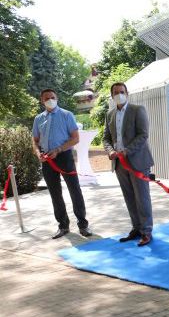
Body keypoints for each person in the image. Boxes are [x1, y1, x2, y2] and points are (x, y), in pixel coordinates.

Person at [32, 89, 92, 239]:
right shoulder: (38, 119)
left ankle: (83, 225)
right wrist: (38, 153)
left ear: (56, 98)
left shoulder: (66, 115)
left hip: (64, 157)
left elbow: (75, 138)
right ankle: (63, 226)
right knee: (55, 194)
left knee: (75, 191)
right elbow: (35, 141)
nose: (50, 100)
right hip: (47, 160)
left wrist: (59, 149)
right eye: (47, 98)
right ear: (42, 101)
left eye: (52, 97)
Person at [103, 82, 155, 247]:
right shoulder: (109, 114)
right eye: (116, 92)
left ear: (127, 93)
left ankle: (146, 231)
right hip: (119, 163)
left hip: (137, 161)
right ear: (112, 96)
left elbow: (143, 134)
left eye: (122, 92)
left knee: (142, 198)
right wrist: (110, 150)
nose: (119, 94)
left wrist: (128, 150)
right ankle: (136, 228)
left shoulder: (137, 110)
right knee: (129, 198)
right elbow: (106, 137)